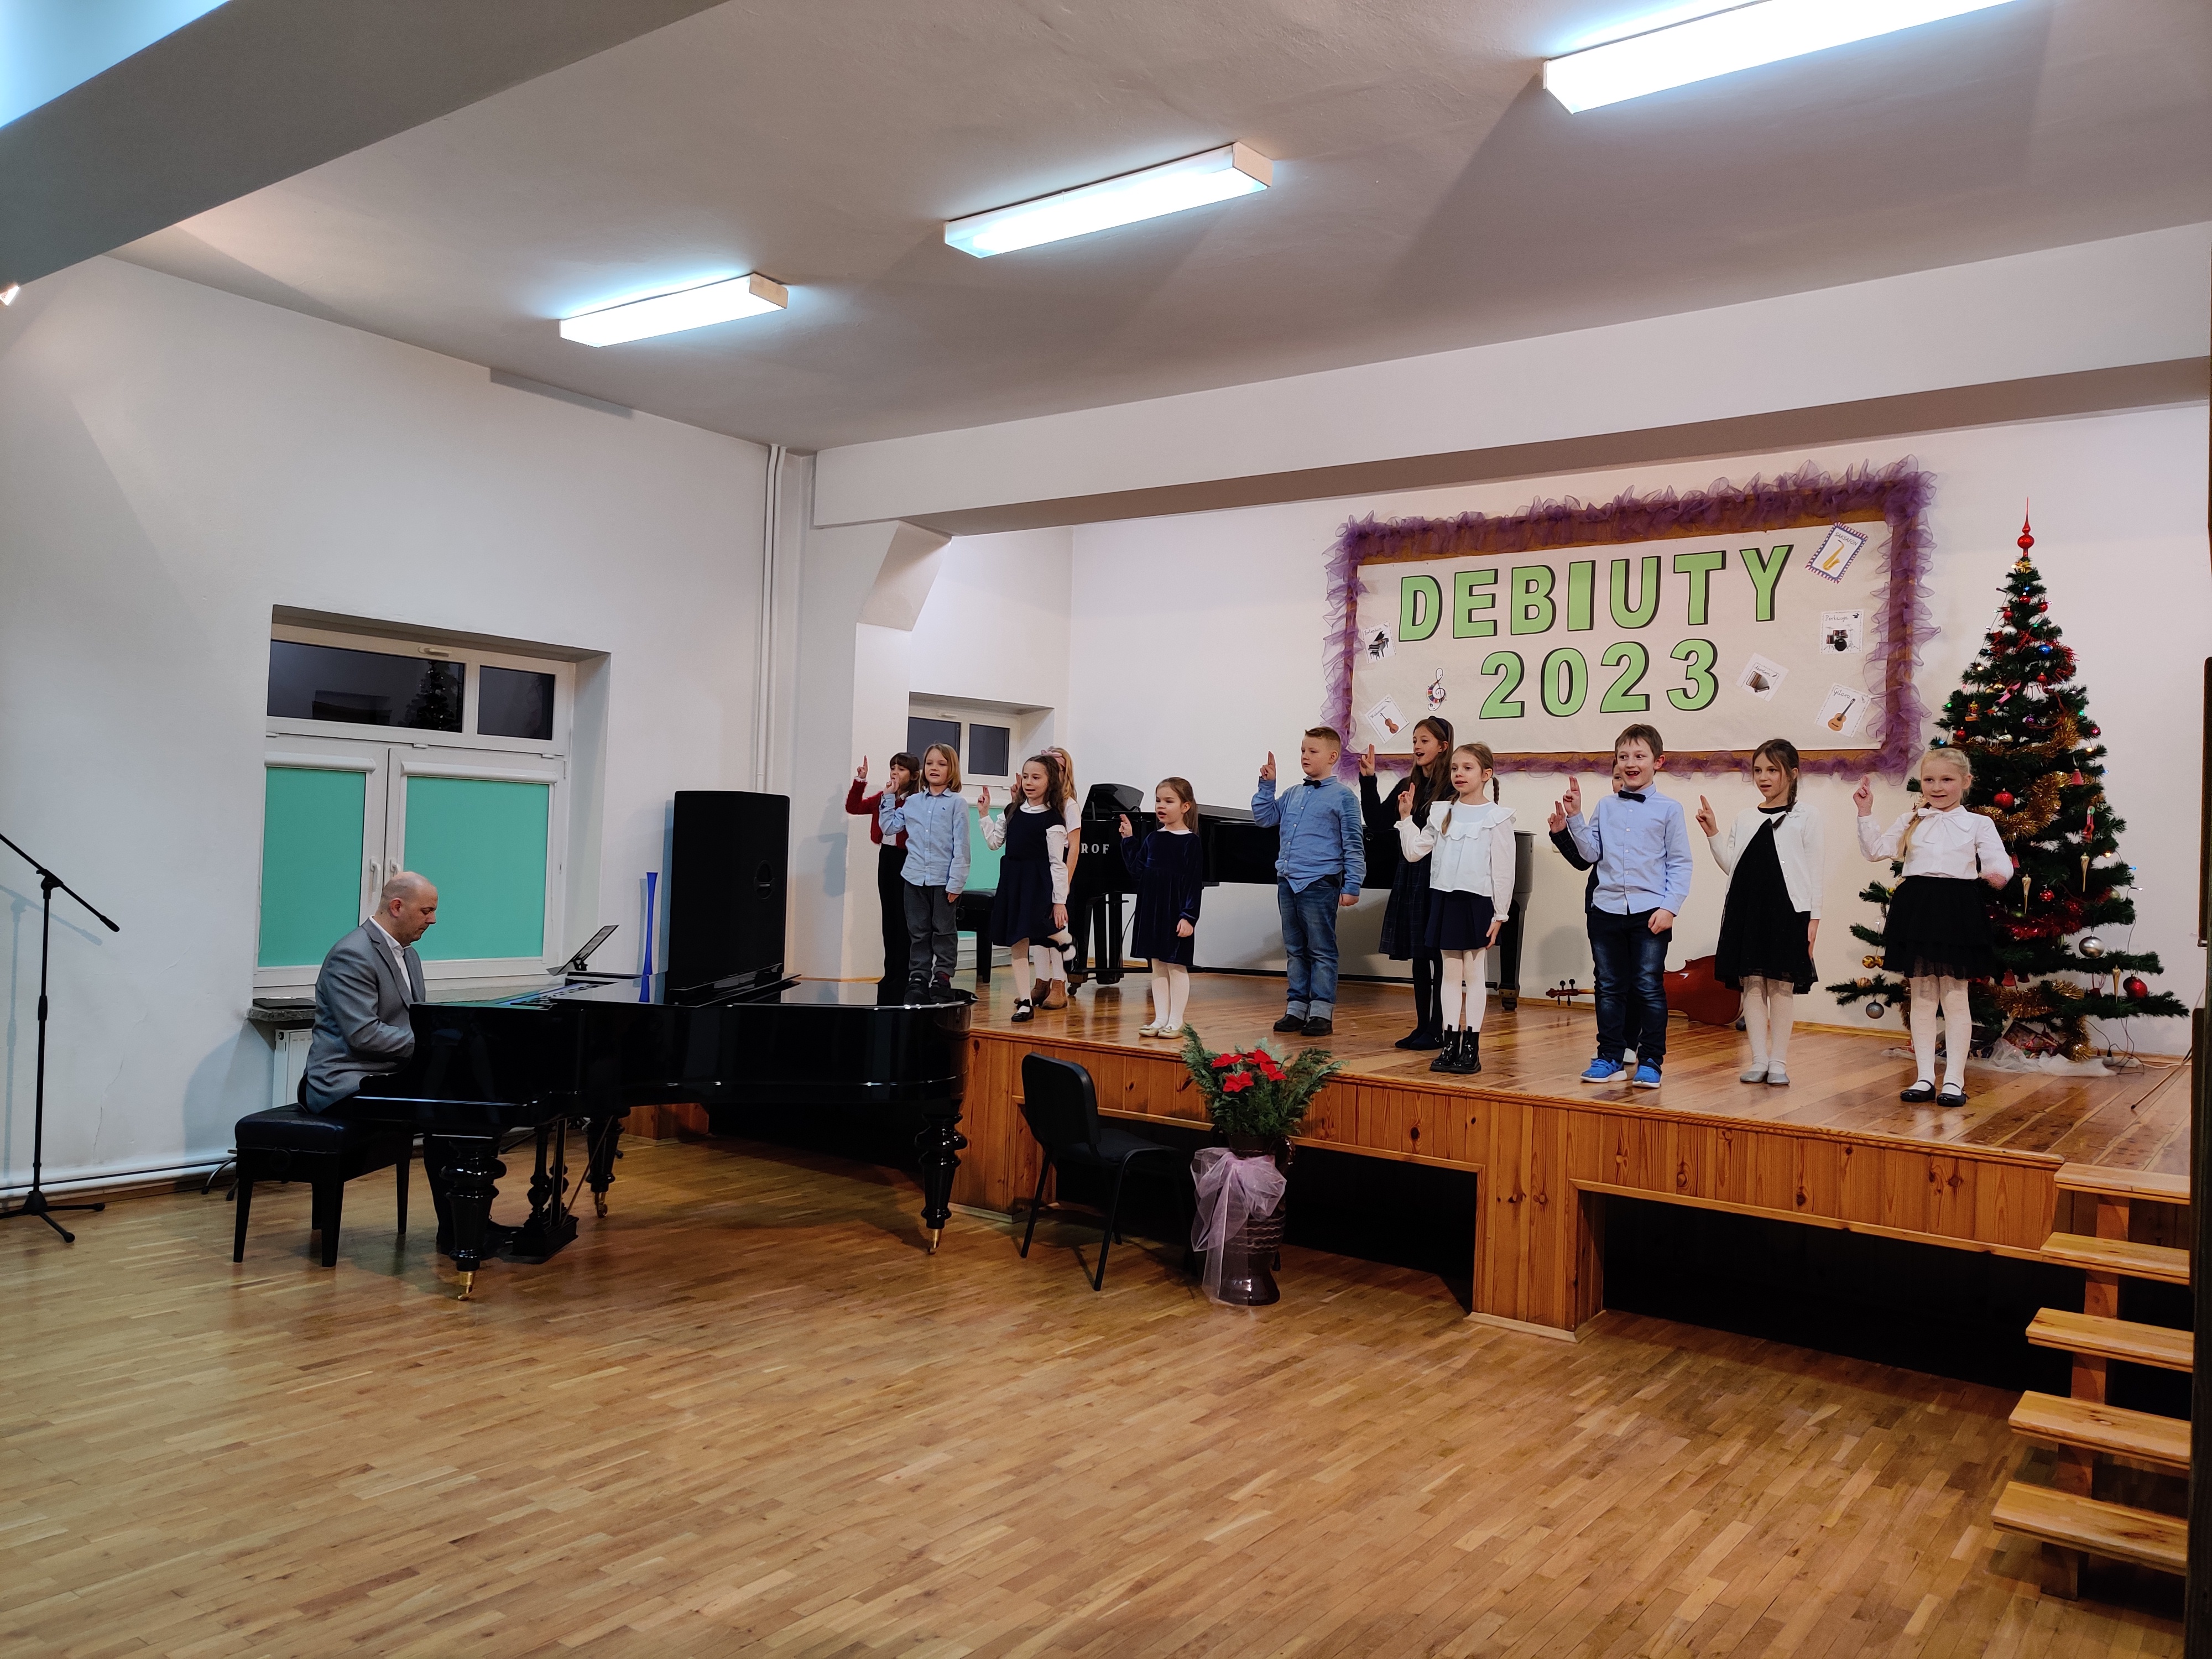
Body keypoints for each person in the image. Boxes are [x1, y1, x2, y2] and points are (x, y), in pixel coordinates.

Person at [301, 872, 503, 1256]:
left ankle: (469, 1222)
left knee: (473, 1105)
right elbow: (364, 1036)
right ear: (397, 906)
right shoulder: (352, 954)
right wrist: (437, 1046)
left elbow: (414, 1022)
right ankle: (459, 1233)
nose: (433, 920)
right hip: (347, 1081)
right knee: (450, 1114)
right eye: (426, 911)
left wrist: (451, 1037)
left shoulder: (408, 954)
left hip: (389, 1073)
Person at [1855, 747, 2012, 1106]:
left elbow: (1998, 860)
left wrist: (1997, 874)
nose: (1937, 787)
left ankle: (1954, 1080)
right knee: (1923, 995)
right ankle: (1925, 1077)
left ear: (1966, 782)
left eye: (1946, 780)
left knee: (1955, 996)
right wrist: (1865, 812)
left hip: (1957, 908)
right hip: (1917, 908)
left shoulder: (1979, 823)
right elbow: (1876, 850)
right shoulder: (1912, 819)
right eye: (1929, 780)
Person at [1557, 724, 1691, 1089]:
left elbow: (1681, 863)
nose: (1631, 763)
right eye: (1624, 757)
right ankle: (1610, 1057)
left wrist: (1670, 908)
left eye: (1640, 756)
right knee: (1609, 987)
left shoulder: (1670, 809)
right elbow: (1591, 854)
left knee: (1648, 987)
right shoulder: (1606, 806)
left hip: (1650, 912)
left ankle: (1651, 1060)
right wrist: (1575, 817)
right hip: (1606, 910)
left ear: (1658, 762)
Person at [1698, 739, 1823, 1087]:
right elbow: (1732, 865)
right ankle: (1758, 1060)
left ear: (1792, 774)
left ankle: (1779, 1062)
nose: (1763, 778)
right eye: (1758, 771)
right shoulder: (1745, 817)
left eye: (1772, 770)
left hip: (1787, 911)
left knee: (1781, 986)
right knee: (1752, 985)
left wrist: (1814, 918)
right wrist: (1713, 833)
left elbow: (1814, 870)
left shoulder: (1807, 816)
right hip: (1747, 910)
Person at [1395, 743, 1514, 1074]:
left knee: (1474, 976)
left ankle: (1471, 1048)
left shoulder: (1496, 817)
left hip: (1477, 902)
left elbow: (1504, 870)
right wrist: (1406, 819)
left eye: (1467, 768)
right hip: (1444, 899)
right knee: (1449, 975)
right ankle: (1450, 1045)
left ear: (1486, 774)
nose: (1459, 774)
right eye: (1455, 768)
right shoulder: (1442, 812)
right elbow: (1415, 853)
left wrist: (1500, 914)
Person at [1252, 726, 1364, 1037]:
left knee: (1321, 949)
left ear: (1332, 757)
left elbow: (1353, 844)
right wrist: (1267, 785)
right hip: (1288, 881)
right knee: (1295, 948)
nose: (1305, 756)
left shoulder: (1343, 797)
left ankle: (1321, 1012)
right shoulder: (1292, 793)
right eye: (1303, 750)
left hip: (1319, 882)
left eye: (1313, 751)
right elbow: (1264, 818)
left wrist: (1352, 885)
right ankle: (1296, 1008)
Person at [1360, 717, 1453, 1050]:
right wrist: (1368, 780)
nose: (1417, 746)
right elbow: (1377, 822)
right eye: (1414, 740)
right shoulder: (1408, 783)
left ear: (1443, 746)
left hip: (1438, 875)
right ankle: (1422, 1026)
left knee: (1439, 955)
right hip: (1411, 873)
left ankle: (1440, 1028)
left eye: (1424, 741)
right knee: (1419, 955)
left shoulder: (1452, 788)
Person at [979, 755, 1071, 1023]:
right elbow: (994, 843)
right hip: (1012, 882)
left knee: (1045, 930)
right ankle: (1025, 1002)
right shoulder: (1012, 810)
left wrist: (1060, 901)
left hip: (1038, 883)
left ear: (1050, 781)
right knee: (1018, 941)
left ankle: (1065, 947)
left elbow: (1058, 864)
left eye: (1036, 777)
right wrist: (984, 815)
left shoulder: (1054, 819)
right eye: (1026, 777)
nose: (1029, 782)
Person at [879, 742, 969, 1003]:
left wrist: (957, 883)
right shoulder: (913, 802)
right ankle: (918, 976)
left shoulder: (957, 804)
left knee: (944, 931)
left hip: (944, 881)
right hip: (914, 877)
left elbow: (962, 846)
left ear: (952, 769)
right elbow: (889, 828)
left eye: (941, 764)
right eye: (930, 763)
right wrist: (889, 796)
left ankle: (942, 976)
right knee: (918, 931)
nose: (934, 768)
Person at [1551, 760, 1629, 1059]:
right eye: (1616, 777)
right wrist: (1562, 833)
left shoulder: (1655, 812)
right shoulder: (1604, 810)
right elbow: (1586, 860)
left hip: (1638, 908)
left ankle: (1631, 1043)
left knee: (1636, 979)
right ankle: (1611, 1045)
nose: (1621, 783)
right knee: (1606, 979)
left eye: (1626, 776)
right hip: (1600, 905)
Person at [1119, 778, 1204, 1038]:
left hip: (1175, 912)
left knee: (1176, 965)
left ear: (1185, 806)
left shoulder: (1191, 842)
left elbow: (1193, 884)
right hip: (1152, 910)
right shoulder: (1153, 838)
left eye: (1169, 801)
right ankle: (1160, 1018)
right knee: (1157, 965)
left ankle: (1176, 1020)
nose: (1161, 806)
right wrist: (1128, 840)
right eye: (1158, 801)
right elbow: (1137, 870)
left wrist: (1188, 917)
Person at [847, 752, 919, 1000]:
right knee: (889, 917)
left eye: (901, 769)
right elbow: (854, 807)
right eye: (893, 768)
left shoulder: (916, 801)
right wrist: (860, 780)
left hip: (906, 858)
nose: (895, 773)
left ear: (913, 776)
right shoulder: (883, 797)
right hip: (886, 858)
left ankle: (905, 974)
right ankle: (890, 973)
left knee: (903, 918)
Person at [1032, 744, 1082, 1007]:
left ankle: (1059, 984)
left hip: (1059, 870)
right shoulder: (1038, 803)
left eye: (1057, 768)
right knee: (1038, 929)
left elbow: (1073, 847)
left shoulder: (1068, 805)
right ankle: (1041, 981)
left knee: (1057, 928)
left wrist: (1066, 883)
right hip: (1037, 870)